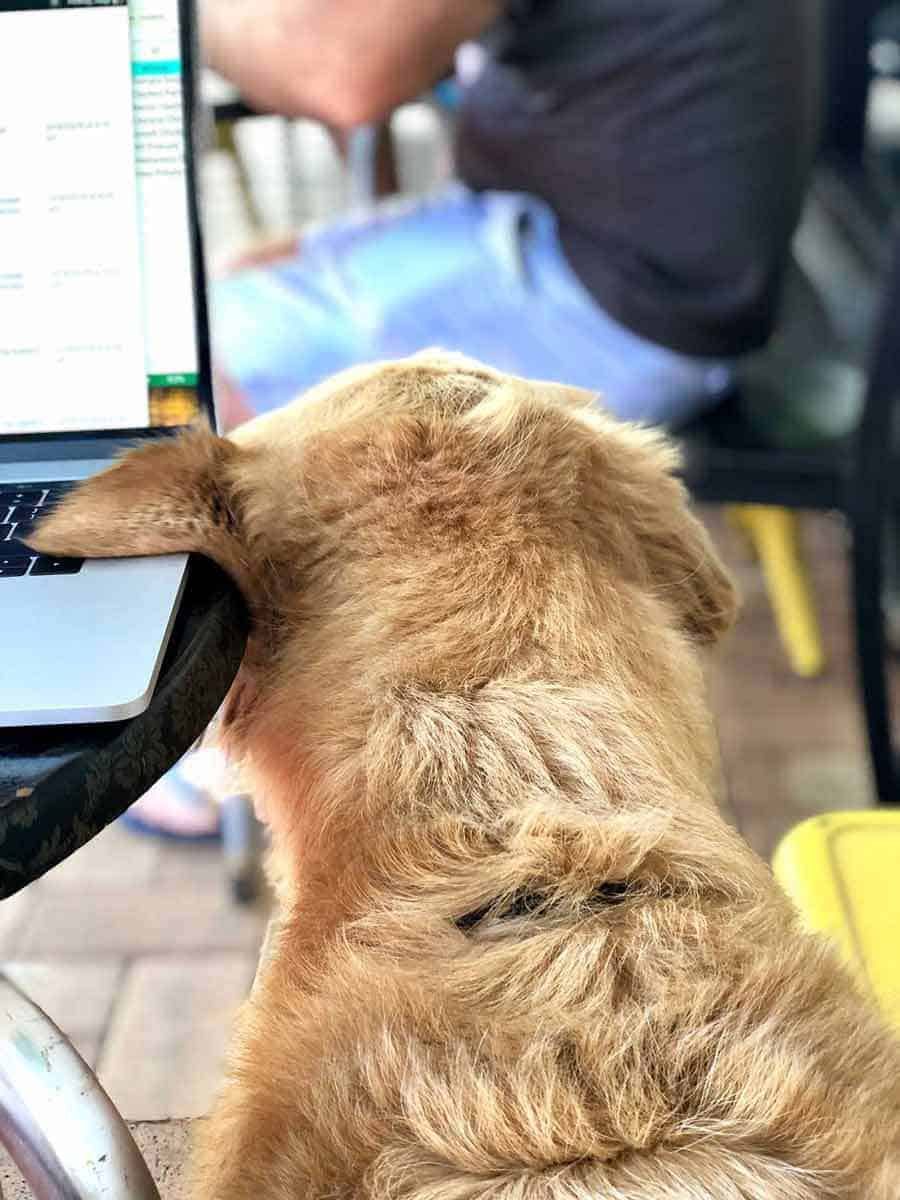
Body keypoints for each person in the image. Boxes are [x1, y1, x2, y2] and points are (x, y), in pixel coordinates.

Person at [128, 0, 819, 838]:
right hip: (620, 243)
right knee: (242, 278)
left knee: (180, 366)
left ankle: (209, 749)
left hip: (629, 292)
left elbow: (340, 69)